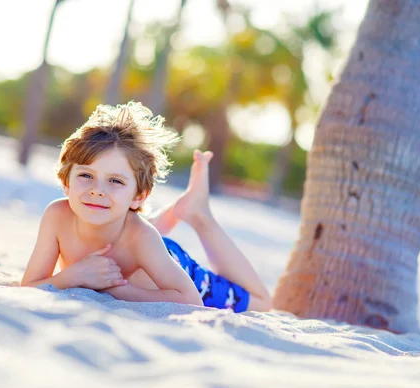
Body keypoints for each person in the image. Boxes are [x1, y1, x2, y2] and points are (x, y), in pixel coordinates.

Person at [20, 102, 271, 312]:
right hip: (135, 241)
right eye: (86, 175)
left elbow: (191, 299)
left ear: (138, 196)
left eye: (115, 181)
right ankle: (175, 212)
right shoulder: (57, 216)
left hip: (171, 265)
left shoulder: (141, 237)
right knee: (131, 232)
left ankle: (199, 215)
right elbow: (30, 285)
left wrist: (116, 288)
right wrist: (75, 275)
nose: (97, 189)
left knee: (262, 303)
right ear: (66, 182)